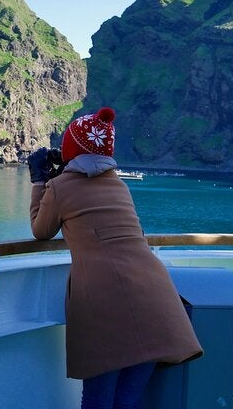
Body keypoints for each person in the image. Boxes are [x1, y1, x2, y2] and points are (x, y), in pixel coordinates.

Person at [27, 107, 203, 409]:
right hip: (155, 297)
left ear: (71, 149)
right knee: (127, 402)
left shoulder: (59, 187)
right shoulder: (119, 186)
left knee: (97, 400)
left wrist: (40, 181)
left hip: (104, 303)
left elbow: (41, 230)